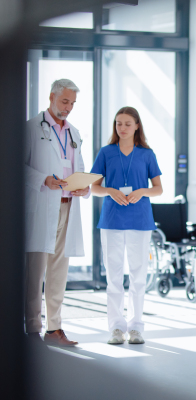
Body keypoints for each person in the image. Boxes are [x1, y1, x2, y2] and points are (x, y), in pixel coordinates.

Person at [24, 78, 91, 346]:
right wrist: (43, 179)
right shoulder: (31, 128)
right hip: (42, 206)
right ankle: (31, 329)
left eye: (73, 103)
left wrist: (83, 188)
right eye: (65, 101)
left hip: (67, 207)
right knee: (34, 272)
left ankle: (54, 329)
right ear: (51, 97)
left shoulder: (74, 132)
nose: (69, 107)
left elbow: (81, 168)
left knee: (58, 272)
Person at [90, 107, 162, 345]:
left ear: (137, 126)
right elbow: (94, 187)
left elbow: (158, 189)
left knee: (138, 276)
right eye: (118, 123)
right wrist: (109, 190)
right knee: (113, 276)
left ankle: (136, 327)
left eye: (127, 124)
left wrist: (142, 191)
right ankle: (116, 328)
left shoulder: (146, 154)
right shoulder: (106, 152)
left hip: (140, 220)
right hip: (111, 220)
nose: (122, 128)